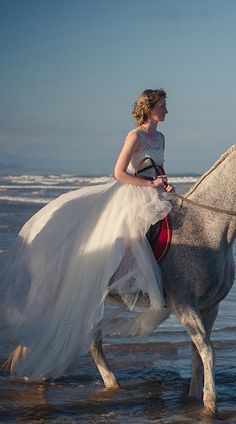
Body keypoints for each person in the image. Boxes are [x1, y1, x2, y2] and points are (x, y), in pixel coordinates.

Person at [0, 89, 174, 380]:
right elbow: (119, 173)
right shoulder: (135, 136)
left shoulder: (161, 138)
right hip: (131, 195)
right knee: (131, 238)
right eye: (163, 106)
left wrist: (163, 183)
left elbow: (158, 168)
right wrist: (148, 185)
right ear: (150, 108)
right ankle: (119, 281)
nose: (167, 110)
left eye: (166, 106)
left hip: (152, 192)